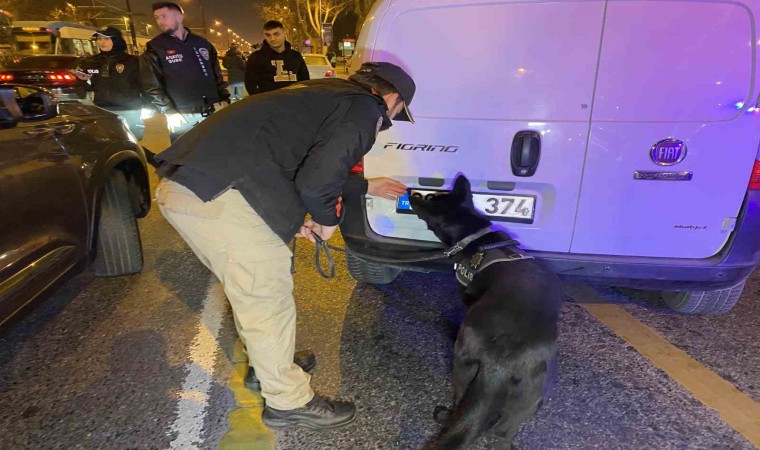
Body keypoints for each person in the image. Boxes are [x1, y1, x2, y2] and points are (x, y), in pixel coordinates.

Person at [153, 61, 416, 430]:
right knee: (265, 298)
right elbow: (316, 182)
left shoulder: (320, 93)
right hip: (221, 195)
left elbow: (293, 163)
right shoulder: (364, 107)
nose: (388, 119)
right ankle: (288, 402)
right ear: (391, 98)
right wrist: (327, 221)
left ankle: (267, 369)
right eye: (395, 113)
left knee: (253, 294)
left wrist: (356, 190)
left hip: (195, 186)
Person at [141, 1, 229, 142]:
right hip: (182, 116)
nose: (160, 21)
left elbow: (216, 75)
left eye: (164, 16)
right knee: (184, 158)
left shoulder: (202, 43)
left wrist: (224, 99)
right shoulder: (155, 48)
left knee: (215, 153)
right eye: (156, 17)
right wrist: (168, 111)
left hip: (213, 110)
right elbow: (151, 85)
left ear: (179, 17)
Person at [75, 27, 145, 139]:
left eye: (107, 39)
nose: (102, 42)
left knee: (131, 143)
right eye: (99, 38)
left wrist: (147, 104)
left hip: (129, 111)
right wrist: (84, 81)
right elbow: (84, 87)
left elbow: (144, 84)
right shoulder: (90, 62)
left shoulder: (133, 62)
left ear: (116, 40)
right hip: (103, 110)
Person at [245, 20, 309, 95]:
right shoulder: (256, 57)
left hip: (293, 103)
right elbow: (250, 84)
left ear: (284, 33)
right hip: (268, 104)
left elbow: (305, 81)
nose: (272, 38)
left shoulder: (295, 56)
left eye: (276, 34)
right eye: (268, 35)